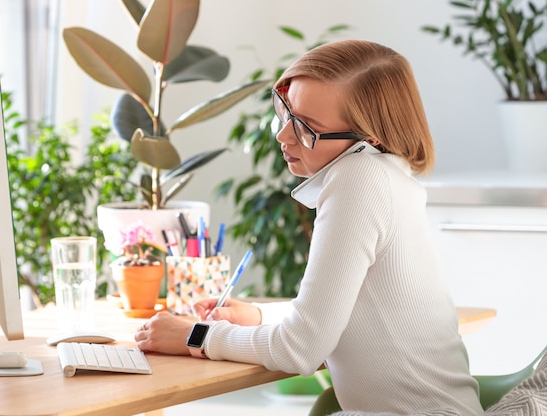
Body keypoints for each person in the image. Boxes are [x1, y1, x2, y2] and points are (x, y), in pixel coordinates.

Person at [134, 39, 483, 416]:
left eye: (306, 128)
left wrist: (193, 334)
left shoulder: (358, 179)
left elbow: (299, 349)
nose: (283, 136)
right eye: (286, 113)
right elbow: (339, 311)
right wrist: (258, 315)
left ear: (369, 138)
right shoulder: (389, 176)